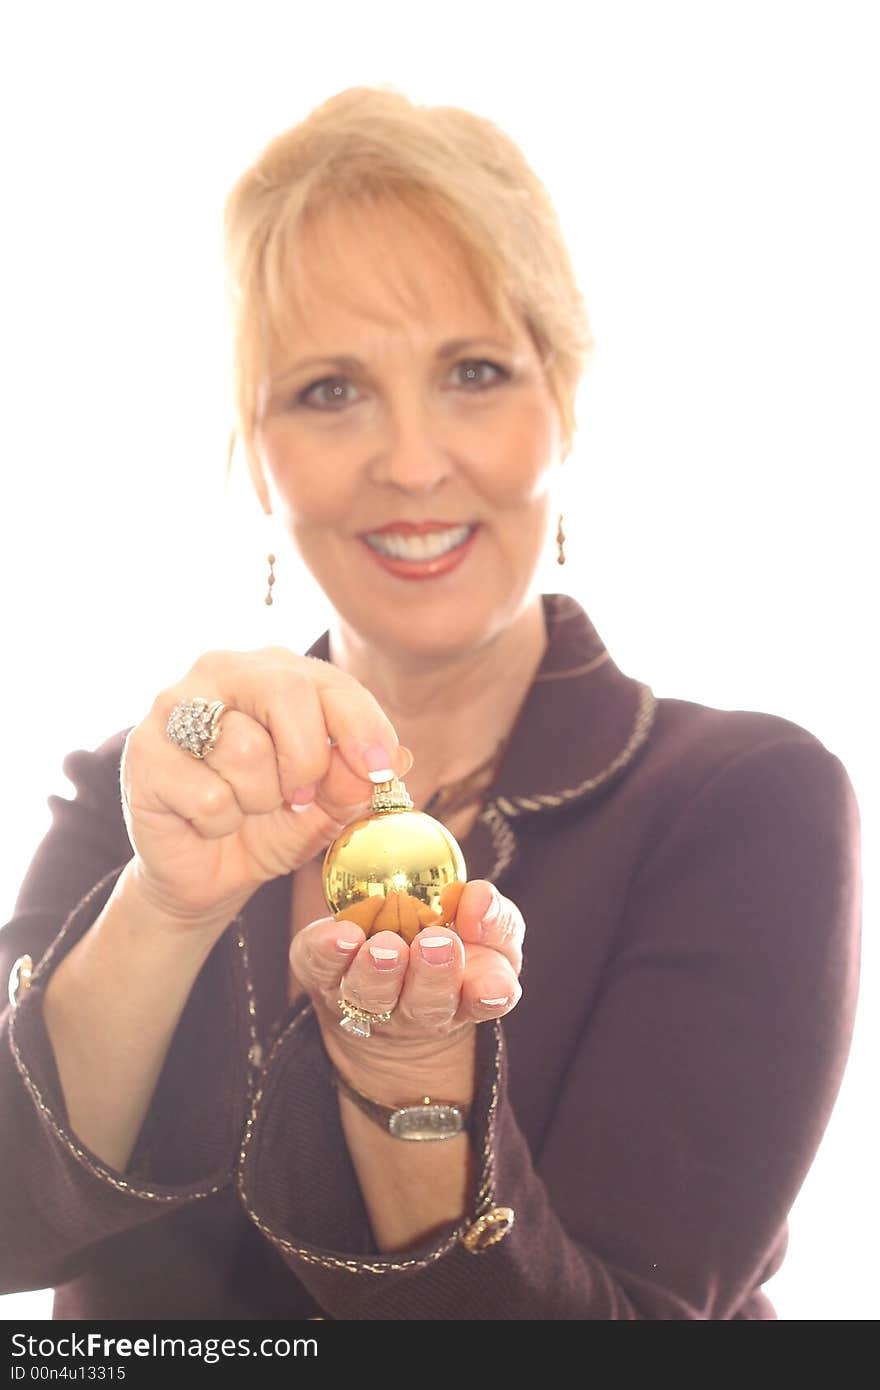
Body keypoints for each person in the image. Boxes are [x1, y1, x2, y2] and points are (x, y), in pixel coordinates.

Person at [0, 85, 862, 1321]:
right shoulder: (132, 800)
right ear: (252, 450)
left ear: (560, 404)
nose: (410, 462)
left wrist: (408, 1096)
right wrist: (161, 905)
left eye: (473, 370)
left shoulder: (743, 803)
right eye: (329, 391)